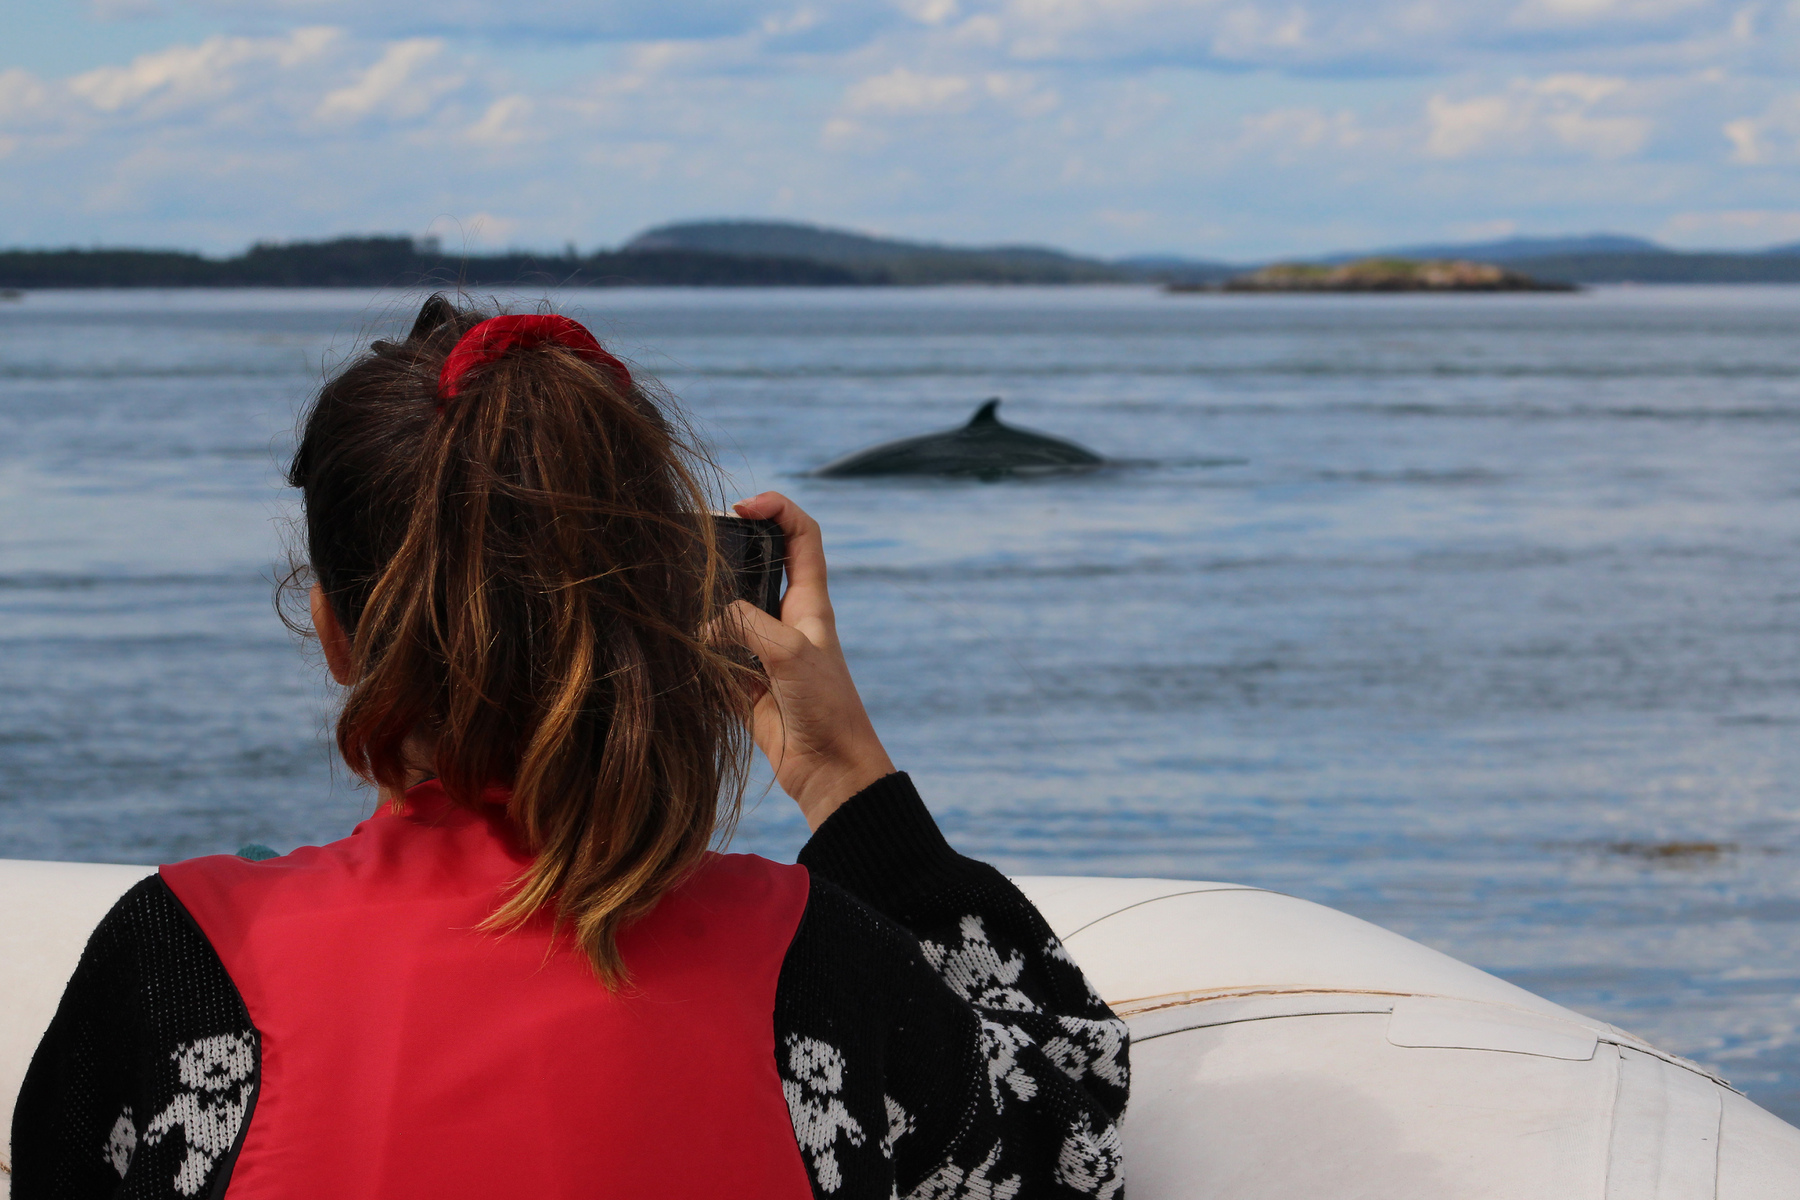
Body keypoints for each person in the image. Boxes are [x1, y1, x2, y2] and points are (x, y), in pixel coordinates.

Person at [10, 297, 1129, 1199]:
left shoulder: (177, 964)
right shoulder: (819, 969)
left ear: (338, 633)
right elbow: (1069, 1128)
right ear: (671, 609)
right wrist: (843, 774)